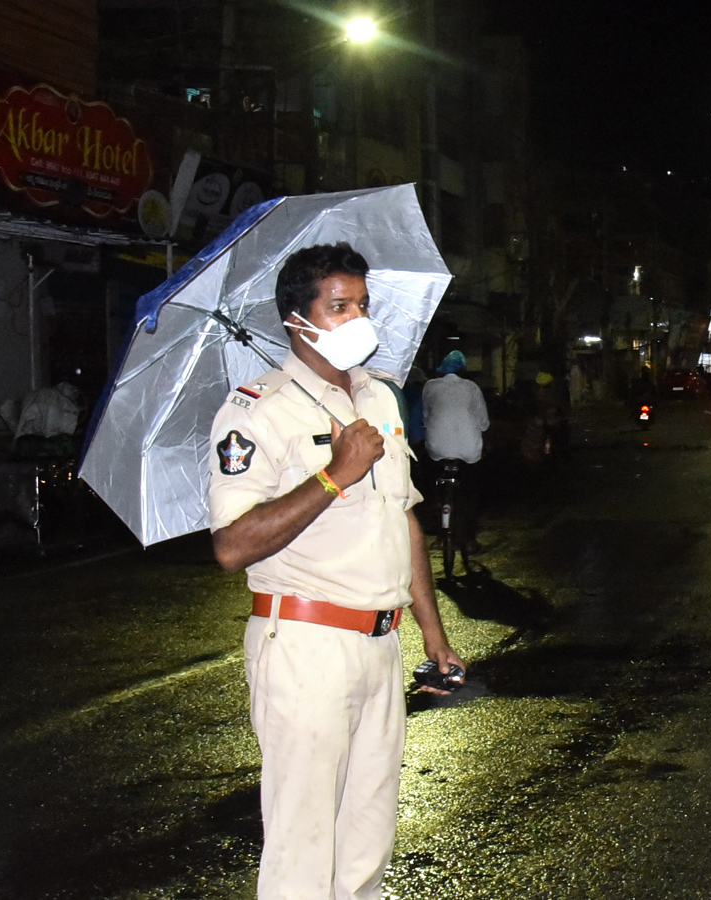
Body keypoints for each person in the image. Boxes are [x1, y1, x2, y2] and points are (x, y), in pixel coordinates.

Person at [207, 242, 464, 900]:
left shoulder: (380, 399)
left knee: (366, 844)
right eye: (339, 306)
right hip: (305, 646)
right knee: (304, 846)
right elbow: (233, 545)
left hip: (380, 645)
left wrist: (432, 635)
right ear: (298, 319)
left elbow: (402, 520)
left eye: (364, 306)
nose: (358, 320)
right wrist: (333, 474)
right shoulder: (257, 410)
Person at [420, 349, 490, 558]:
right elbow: (484, 422)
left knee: (431, 480)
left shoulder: (430, 386)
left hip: (438, 449)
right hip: (468, 450)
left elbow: (425, 416)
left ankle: (439, 525)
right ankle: (469, 540)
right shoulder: (471, 387)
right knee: (470, 492)